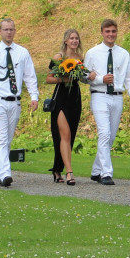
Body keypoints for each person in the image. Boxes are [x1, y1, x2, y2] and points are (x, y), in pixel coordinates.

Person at [0, 19, 39, 187]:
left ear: (15, 31)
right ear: (0, 32)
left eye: (11, 29)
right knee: (1, 138)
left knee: (7, 140)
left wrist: (34, 96)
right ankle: (5, 174)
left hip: (15, 102)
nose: (9, 32)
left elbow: (30, 76)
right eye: (5, 29)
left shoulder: (22, 52)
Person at [85, 19, 130, 186]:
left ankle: (96, 171)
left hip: (117, 96)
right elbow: (84, 76)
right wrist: (100, 79)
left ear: (117, 32)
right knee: (104, 133)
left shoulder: (123, 54)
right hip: (99, 95)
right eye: (107, 31)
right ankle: (106, 173)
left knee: (111, 136)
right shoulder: (92, 53)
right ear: (102, 32)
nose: (110, 34)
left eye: (113, 31)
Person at [46, 29, 96, 185]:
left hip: (75, 97)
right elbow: (48, 78)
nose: (74, 41)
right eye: (71, 38)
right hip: (61, 97)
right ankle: (69, 172)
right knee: (64, 135)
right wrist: (63, 79)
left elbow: (82, 78)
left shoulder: (81, 59)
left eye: (76, 38)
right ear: (66, 40)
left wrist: (90, 76)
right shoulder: (58, 57)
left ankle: (57, 169)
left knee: (70, 136)